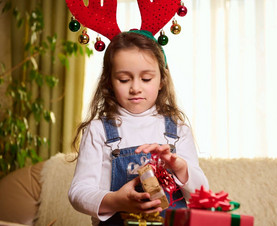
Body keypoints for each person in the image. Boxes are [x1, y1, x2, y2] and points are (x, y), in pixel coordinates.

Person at [68, 30, 209, 226]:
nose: (135, 88)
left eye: (146, 79)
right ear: (109, 82)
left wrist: (180, 168)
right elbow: (78, 192)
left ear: (162, 80)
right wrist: (117, 200)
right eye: (124, 80)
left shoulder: (178, 131)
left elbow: (201, 193)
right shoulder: (98, 130)